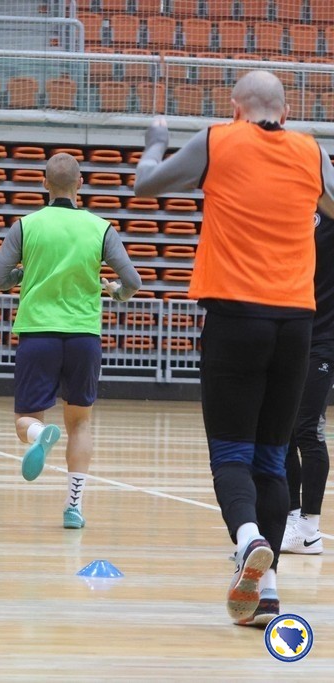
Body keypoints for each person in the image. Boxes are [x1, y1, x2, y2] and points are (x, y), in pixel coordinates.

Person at [133, 70, 334, 627]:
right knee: (272, 459)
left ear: (236, 108)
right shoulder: (310, 151)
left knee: (230, 456)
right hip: (296, 324)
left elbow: (146, 186)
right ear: (285, 113)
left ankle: (249, 540)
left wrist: (154, 141)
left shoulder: (217, 140)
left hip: (236, 318)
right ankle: (267, 594)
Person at [0, 152, 141, 530]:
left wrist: (21, 275)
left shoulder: (26, 226)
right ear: (79, 185)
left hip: (38, 333)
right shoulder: (100, 228)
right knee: (80, 424)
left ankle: (40, 435)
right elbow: (132, 282)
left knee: (25, 421)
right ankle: (73, 507)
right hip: (83, 336)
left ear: (44, 183)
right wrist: (117, 293)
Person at [282, 209, 334, 555]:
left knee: (307, 428)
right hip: (292, 334)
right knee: (282, 429)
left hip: (323, 340)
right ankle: (290, 519)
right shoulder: (294, 209)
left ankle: (310, 528)